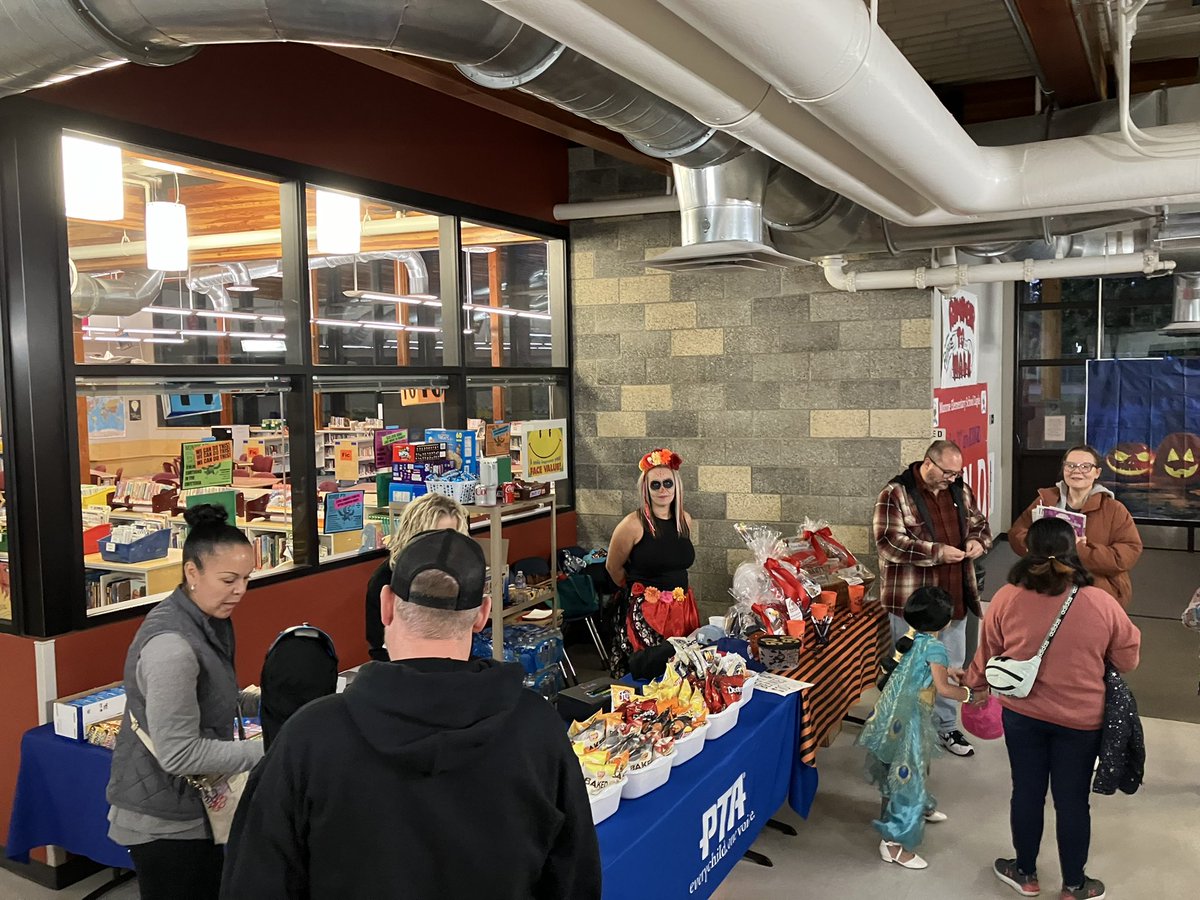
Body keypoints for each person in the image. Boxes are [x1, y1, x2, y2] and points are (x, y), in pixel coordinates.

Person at [222, 530, 601, 900]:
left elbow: (255, 881)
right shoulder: (537, 729)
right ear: (482, 614)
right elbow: (575, 878)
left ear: (386, 604)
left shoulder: (307, 739)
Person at [964, 518, 1141, 900]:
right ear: (1073, 549)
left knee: (1026, 792)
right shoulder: (1100, 602)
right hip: (1082, 720)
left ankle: (1024, 873)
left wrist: (975, 686)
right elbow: (1127, 659)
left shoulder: (1007, 597)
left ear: (1028, 551)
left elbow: (988, 652)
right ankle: (1075, 884)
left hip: (1022, 715)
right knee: (1072, 800)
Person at [105, 504, 263, 900]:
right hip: (165, 819)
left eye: (246, 578)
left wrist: (266, 702)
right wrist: (270, 749)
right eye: (229, 579)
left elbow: (212, 697)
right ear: (192, 573)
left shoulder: (208, 619)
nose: (240, 591)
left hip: (194, 807)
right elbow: (178, 754)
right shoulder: (171, 647)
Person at [873, 439, 992, 758]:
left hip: (954, 596)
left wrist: (978, 543)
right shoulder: (895, 494)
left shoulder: (959, 490)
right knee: (909, 669)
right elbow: (888, 543)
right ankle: (903, 731)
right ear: (928, 463)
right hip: (913, 603)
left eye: (957, 473)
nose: (953, 478)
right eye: (947, 472)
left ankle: (946, 727)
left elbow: (981, 525)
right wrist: (937, 553)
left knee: (950, 665)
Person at [858, 586, 974, 870]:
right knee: (909, 771)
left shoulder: (911, 640)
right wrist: (970, 694)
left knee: (901, 767)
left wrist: (947, 672)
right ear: (945, 622)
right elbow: (945, 690)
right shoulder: (935, 648)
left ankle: (919, 806)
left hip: (894, 715)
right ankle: (894, 844)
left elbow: (928, 671)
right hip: (912, 719)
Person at [1008, 444, 1143, 609]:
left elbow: (1126, 554)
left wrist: (1079, 549)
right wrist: (1040, 544)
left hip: (1095, 589)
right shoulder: (1046, 500)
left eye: (1086, 467)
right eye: (1070, 465)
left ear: (1097, 473)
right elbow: (1017, 533)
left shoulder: (1114, 509)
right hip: (1046, 583)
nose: (1077, 471)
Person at [604, 447, 699, 677]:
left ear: (676, 486)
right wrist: (640, 593)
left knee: (682, 670)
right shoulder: (632, 524)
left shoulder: (684, 520)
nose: (663, 490)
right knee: (650, 672)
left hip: (682, 608)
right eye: (655, 485)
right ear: (645, 489)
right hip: (647, 613)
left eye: (668, 483)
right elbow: (613, 567)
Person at [364, 491, 470, 661]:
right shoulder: (384, 579)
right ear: (414, 535)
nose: (444, 546)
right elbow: (378, 646)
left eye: (452, 537)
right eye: (435, 537)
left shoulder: (459, 575)